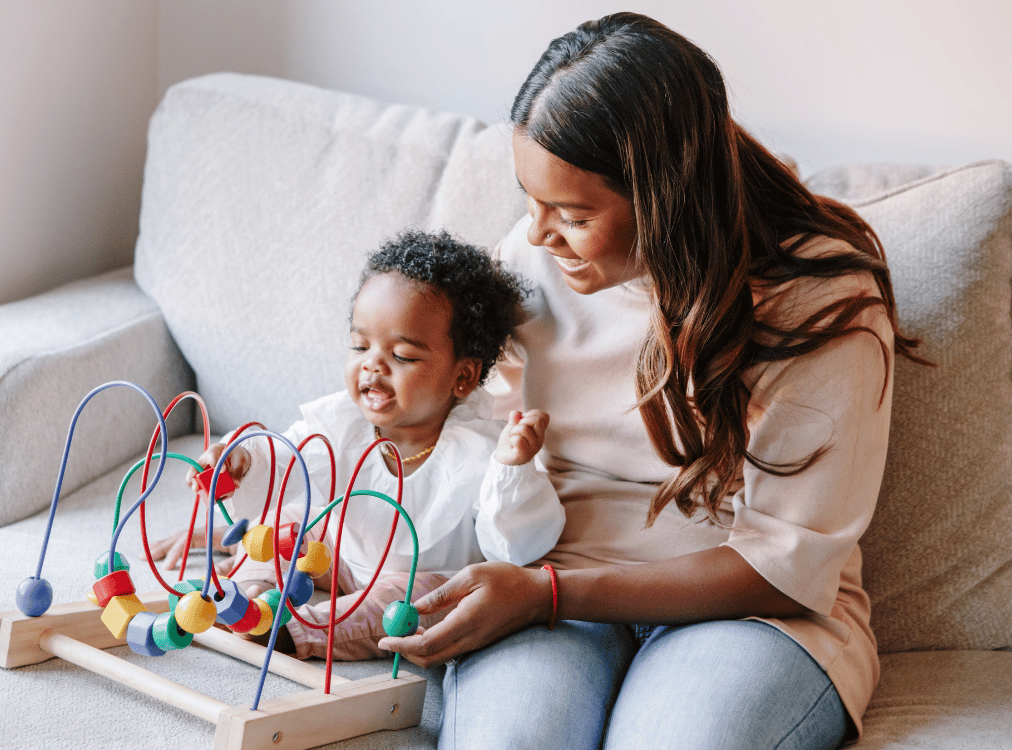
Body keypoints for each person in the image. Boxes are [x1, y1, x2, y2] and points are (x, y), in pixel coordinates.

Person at [377, 13, 926, 750]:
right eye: (531, 201)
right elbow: (455, 425)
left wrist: (549, 593)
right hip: (552, 576)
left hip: (753, 614)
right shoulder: (538, 263)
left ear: (669, 199)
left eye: (572, 214)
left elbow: (783, 567)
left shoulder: (818, 298)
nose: (536, 234)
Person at [151, 229, 564, 660]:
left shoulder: (479, 451)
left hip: (416, 578)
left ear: (462, 376)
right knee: (286, 522)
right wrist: (240, 461)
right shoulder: (340, 423)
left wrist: (513, 469)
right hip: (335, 552)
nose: (372, 364)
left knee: (412, 599)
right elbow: (285, 461)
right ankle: (250, 592)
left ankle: (297, 632)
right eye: (360, 345)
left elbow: (513, 546)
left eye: (402, 355)